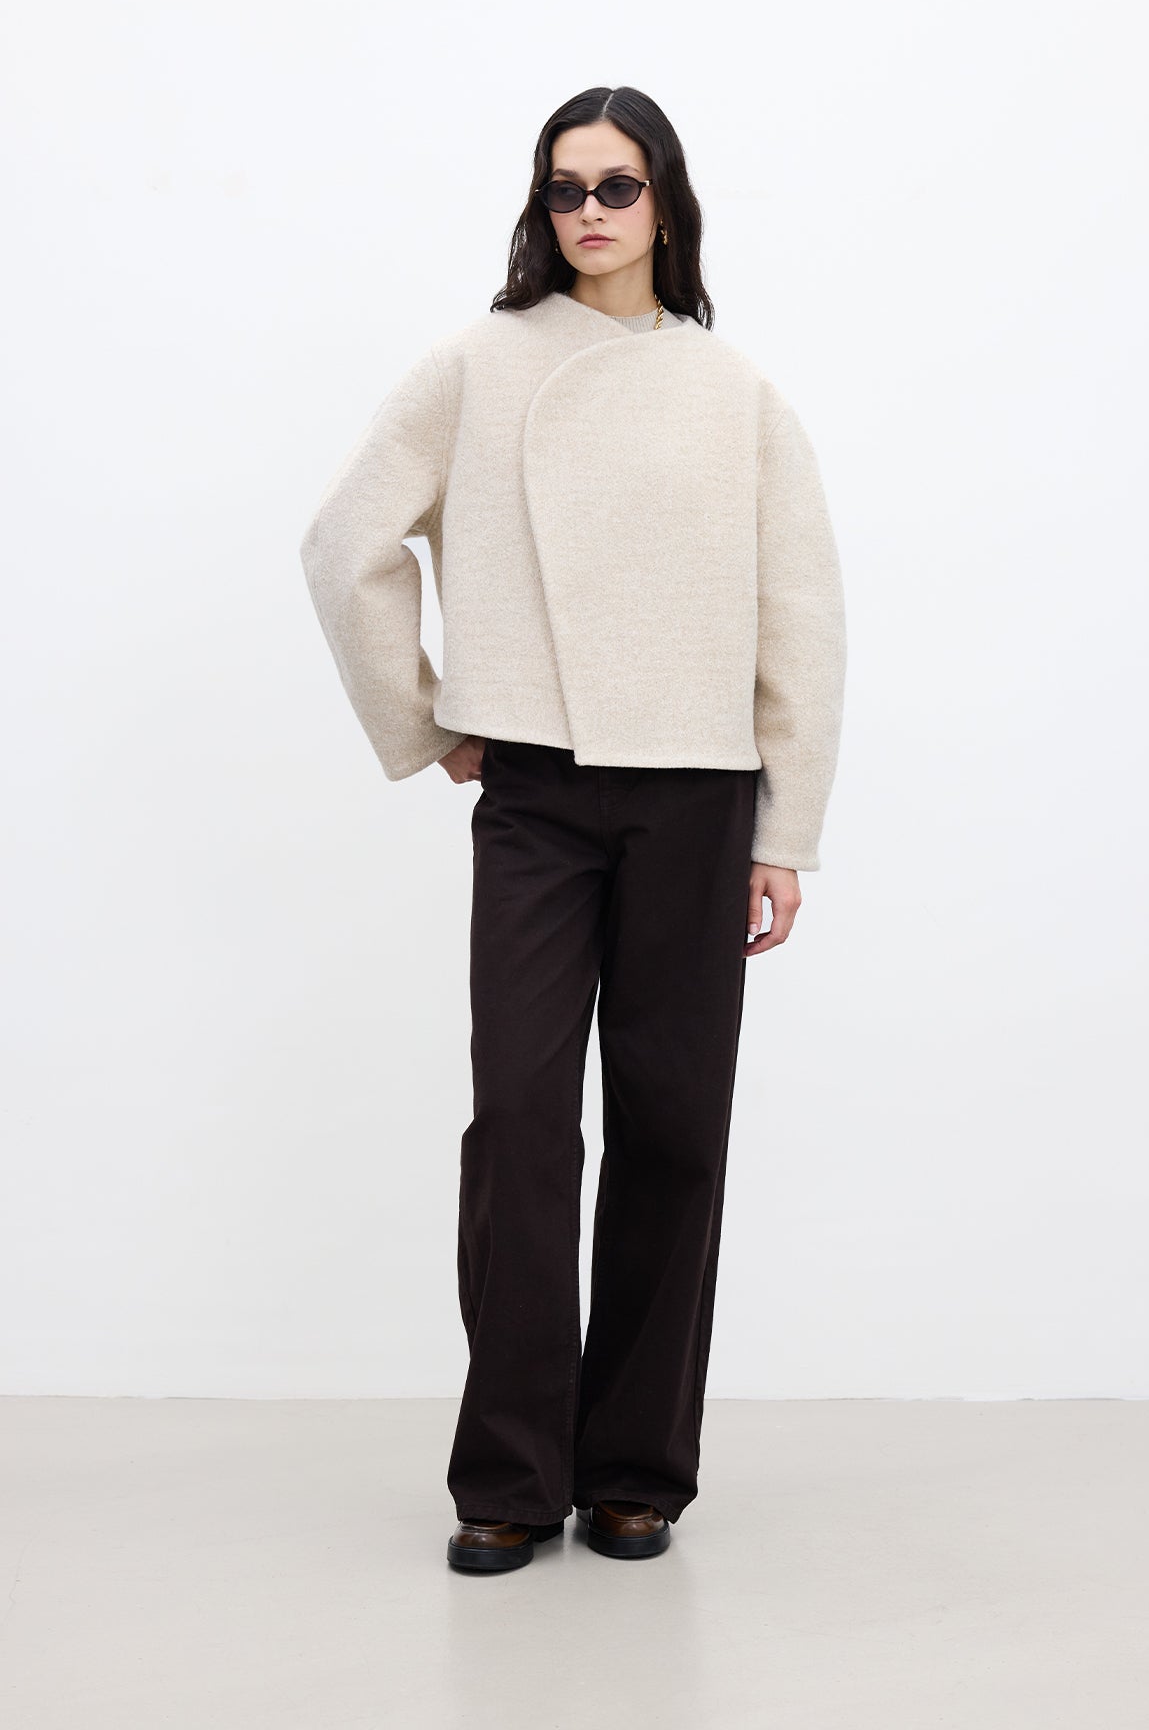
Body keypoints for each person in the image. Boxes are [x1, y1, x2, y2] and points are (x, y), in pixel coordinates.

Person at [299, 85, 848, 1575]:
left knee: (674, 1128)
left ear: (666, 200)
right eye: (563, 188)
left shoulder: (737, 392)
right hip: (537, 794)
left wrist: (784, 828)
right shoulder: (478, 364)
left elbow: (800, 615)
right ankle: (508, 1473)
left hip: (698, 794)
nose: (589, 213)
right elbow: (345, 541)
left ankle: (635, 1471)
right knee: (524, 1125)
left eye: (616, 186)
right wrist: (433, 719)